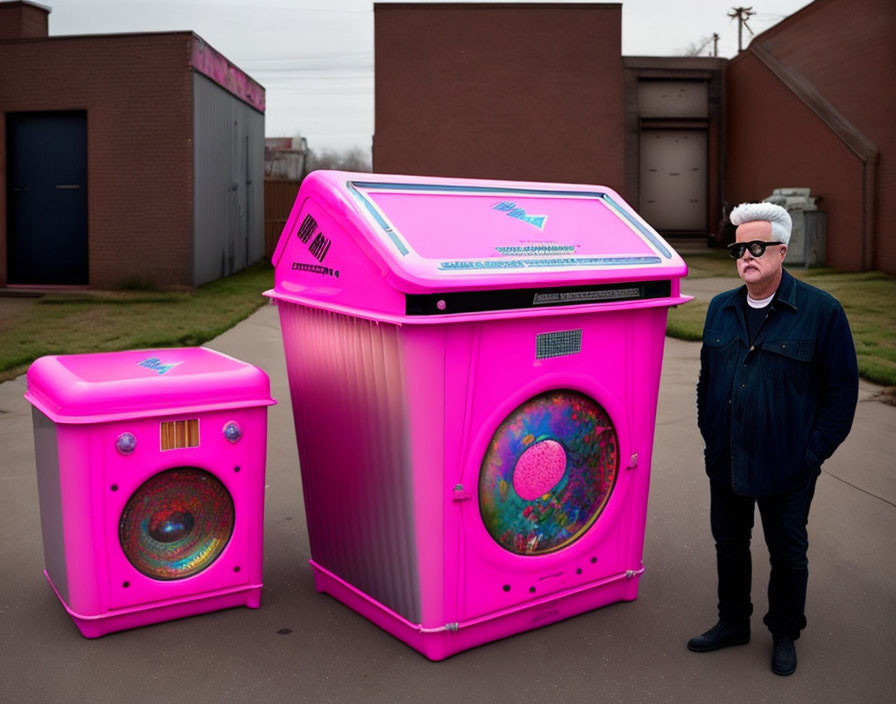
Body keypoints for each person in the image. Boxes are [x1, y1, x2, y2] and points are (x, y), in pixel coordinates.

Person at [689, 202, 858, 676]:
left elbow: (841, 395)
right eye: (739, 248)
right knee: (729, 544)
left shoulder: (822, 313)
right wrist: (710, 434)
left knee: (787, 551)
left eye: (757, 246)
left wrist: (811, 454)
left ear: (782, 251)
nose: (747, 255)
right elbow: (707, 380)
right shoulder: (721, 308)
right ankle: (732, 622)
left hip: (789, 465)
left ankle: (784, 631)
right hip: (726, 458)